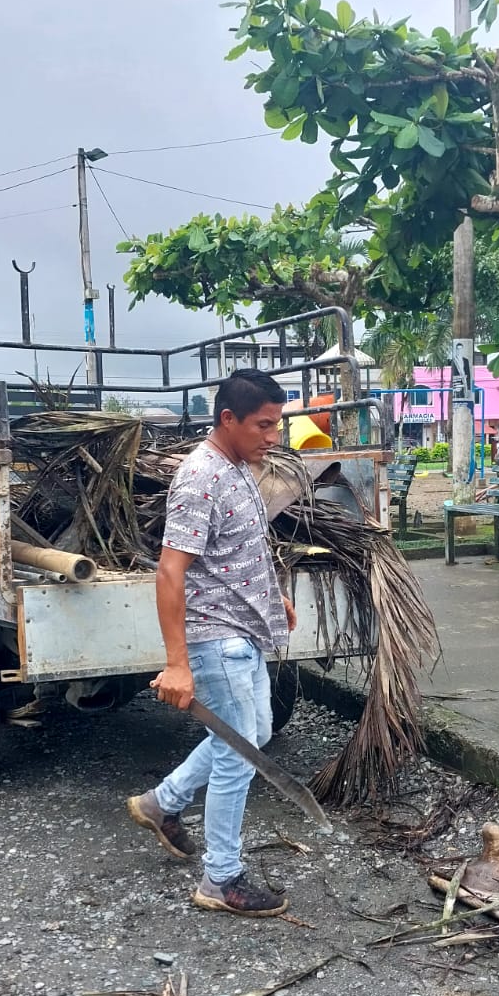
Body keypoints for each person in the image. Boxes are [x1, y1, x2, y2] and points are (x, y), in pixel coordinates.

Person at [127, 369, 297, 918]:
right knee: (238, 754)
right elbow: (170, 571)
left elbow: (241, 547)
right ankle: (220, 879)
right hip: (216, 639)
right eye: (263, 425)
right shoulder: (200, 478)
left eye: (276, 425)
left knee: (255, 735)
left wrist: (274, 596)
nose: (273, 436)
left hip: (244, 630)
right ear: (228, 419)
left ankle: (163, 802)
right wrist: (178, 664)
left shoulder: (239, 466)